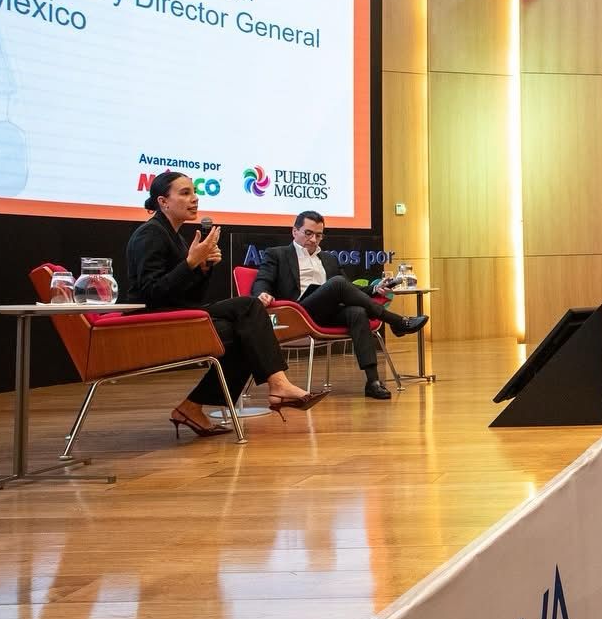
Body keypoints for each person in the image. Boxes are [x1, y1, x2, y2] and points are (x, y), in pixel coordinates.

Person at [125, 171, 327, 438]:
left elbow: (190, 297)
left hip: (176, 313)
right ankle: (277, 384)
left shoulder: (174, 236)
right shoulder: (150, 234)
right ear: (163, 202)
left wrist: (203, 268)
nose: (194, 198)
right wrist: (191, 262)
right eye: (185, 193)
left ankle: (193, 407)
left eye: (194, 192)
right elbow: (150, 293)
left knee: (247, 328)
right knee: (249, 311)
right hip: (155, 321)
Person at [253, 211, 427, 401]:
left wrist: (375, 288)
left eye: (318, 235)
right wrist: (261, 293)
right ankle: (396, 321)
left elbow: (349, 288)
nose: (313, 240)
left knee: (357, 311)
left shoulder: (328, 258)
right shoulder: (277, 254)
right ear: (295, 231)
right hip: (299, 313)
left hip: (328, 313)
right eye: (308, 233)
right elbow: (262, 280)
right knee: (336, 283)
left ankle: (373, 382)